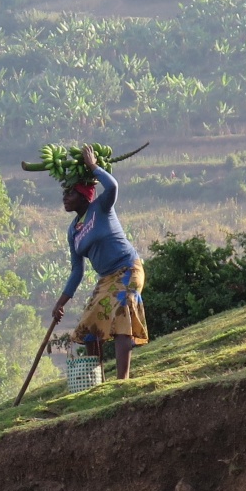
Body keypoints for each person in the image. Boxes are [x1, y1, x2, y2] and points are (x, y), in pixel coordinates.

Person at [52, 144, 149, 380]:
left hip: (128, 269)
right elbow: (77, 271)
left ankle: (122, 380)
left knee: (121, 315)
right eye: (64, 194)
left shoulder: (101, 208)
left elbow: (113, 186)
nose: (65, 198)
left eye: (70, 193)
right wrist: (60, 303)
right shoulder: (73, 231)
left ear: (84, 196)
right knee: (88, 328)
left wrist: (92, 166)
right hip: (106, 278)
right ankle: (97, 380)